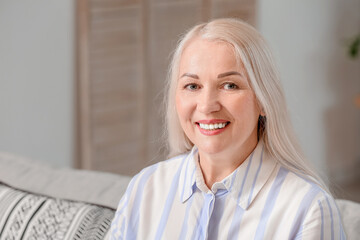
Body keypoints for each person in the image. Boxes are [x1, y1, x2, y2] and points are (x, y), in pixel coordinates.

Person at [109, 18, 346, 239]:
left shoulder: (308, 210)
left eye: (229, 85)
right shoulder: (145, 188)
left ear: (264, 100)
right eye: (192, 86)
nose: (207, 105)